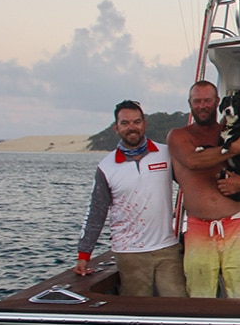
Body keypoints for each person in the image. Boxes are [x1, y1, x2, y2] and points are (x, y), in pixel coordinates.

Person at [167, 79, 240, 298]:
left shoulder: (234, 133)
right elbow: (193, 161)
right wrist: (233, 149)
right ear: (189, 103)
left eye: (207, 100)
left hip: (237, 224)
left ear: (217, 102)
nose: (202, 105)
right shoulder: (179, 136)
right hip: (198, 228)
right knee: (199, 295)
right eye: (197, 101)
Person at [75, 100, 186, 297]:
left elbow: (191, 184)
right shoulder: (106, 167)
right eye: (125, 123)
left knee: (177, 302)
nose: (131, 127)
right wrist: (84, 254)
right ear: (116, 128)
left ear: (144, 124)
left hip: (167, 248)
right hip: (129, 253)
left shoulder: (166, 153)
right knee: (136, 308)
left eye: (136, 122)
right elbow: (96, 212)